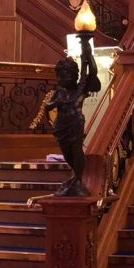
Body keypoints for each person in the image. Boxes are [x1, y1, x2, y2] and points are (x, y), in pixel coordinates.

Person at [44, 35, 101, 196]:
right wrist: (53, 105)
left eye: (65, 75)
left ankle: (77, 179)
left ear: (74, 75)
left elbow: (92, 72)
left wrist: (88, 55)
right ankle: (74, 176)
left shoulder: (80, 89)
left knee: (76, 150)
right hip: (61, 125)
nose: (61, 79)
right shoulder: (60, 92)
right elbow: (49, 106)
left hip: (75, 123)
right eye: (60, 76)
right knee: (67, 153)